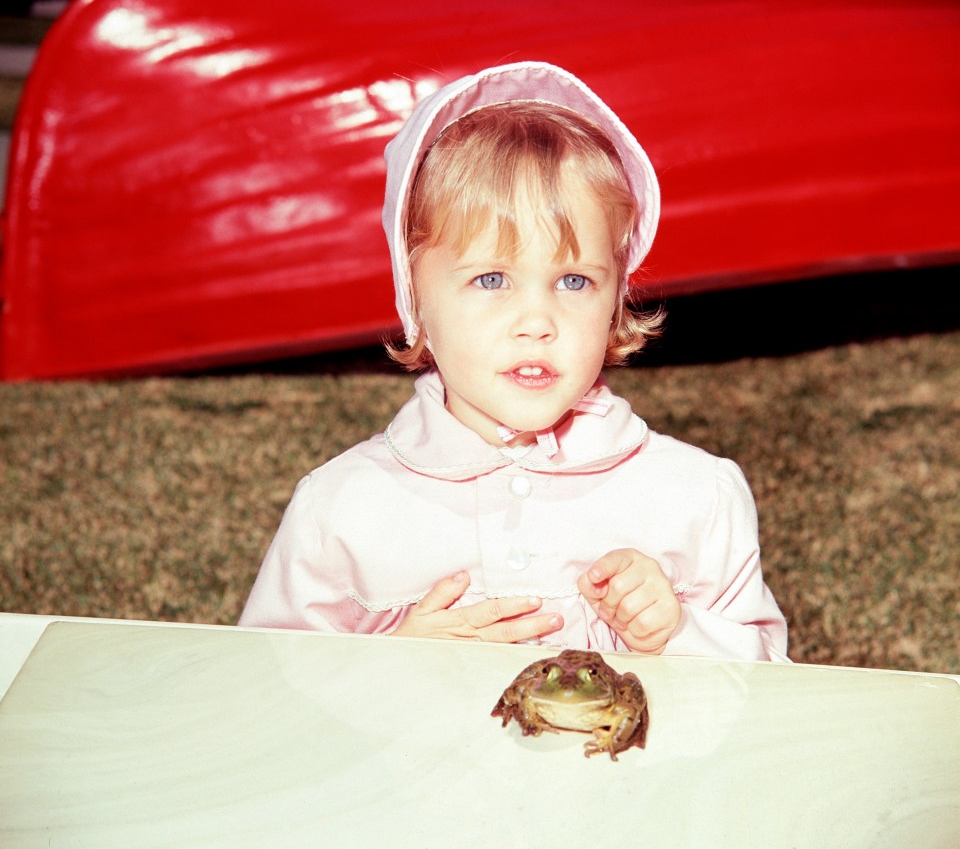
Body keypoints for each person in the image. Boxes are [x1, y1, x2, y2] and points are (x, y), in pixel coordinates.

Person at [240, 61, 788, 661]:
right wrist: (389, 662)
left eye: (574, 281)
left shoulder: (695, 497)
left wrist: (678, 633)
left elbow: (770, 702)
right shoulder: (341, 509)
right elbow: (265, 697)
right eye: (492, 278)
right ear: (414, 295)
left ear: (616, 298)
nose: (536, 321)